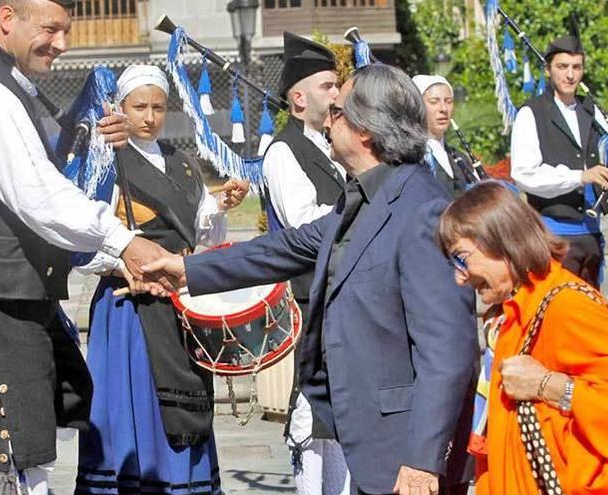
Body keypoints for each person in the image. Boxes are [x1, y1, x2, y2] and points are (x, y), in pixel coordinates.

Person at [142, 64, 478, 495]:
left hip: (406, 458)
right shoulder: (363, 196)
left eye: (337, 111)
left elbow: (448, 349)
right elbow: (282, 249)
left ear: (366, 129)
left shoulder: (421, 208)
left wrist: (423, 460)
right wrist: (185, 269)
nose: (327, 119)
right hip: (371, 445)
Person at [0, 0, 170, 492]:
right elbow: (38, 197)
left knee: (50, 402)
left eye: (66, 31)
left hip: (12, 278)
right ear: (8, 19)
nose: (62, 44)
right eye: (50, 29)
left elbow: (50, 186)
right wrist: (124, 242)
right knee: (23, 445)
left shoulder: (13, 87)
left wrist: (115, 254)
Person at [436, 181, 608, 494]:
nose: (459, 277)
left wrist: (548, 386)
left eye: (461, 258)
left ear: (500, 241)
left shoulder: (566, 305)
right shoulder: (509, 312)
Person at [73, 64, 248, 495]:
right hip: (130, 308)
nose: (149, 117)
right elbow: (82, 237)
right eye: (139, 107)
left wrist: (219, 207)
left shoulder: (182, 163)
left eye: (158, 107)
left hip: (179, 306)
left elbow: (197, 233)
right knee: (138, 406)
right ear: (120, 107)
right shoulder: (107, 160)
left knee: (183, 403)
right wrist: (121, 265)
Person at [261, 32, 350, 495]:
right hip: (304, 299)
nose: (337, 95)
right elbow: (301, 224)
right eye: (327, 87)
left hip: (334, 295)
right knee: (308, 414)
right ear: (299, 98)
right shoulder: (282, 151)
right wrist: (360, 205)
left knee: (335, 415)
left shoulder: (332, 150)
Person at [510, 35, 608, 289]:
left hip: (591, 236)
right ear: (548, 70)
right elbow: (524, 175)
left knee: (587, 320)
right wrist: (580, 176)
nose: (570, 75)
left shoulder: (592, 111)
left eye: (576, 67)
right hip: (552, 238)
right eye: (562, 67)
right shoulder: (531, 113)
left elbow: (601, 167)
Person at [412, 74, 477, 198]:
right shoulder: (409, 158)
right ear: (417, 106)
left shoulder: (460, 158)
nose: (443, 108)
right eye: (434, 102)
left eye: (449, 101)